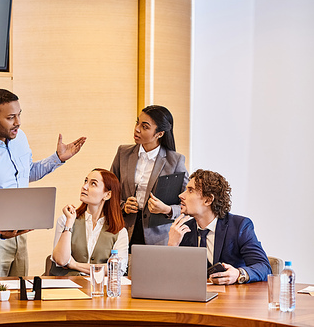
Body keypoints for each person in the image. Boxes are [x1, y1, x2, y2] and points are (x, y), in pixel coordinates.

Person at [0, 89, 86, 278]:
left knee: (19, 295)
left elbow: (26, 174)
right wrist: (2, 230)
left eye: (19, 115)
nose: (18, 122)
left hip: (16, 231)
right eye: (10, 117)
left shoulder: (19, 138)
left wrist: (57, 158)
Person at [168, 169, 271, 284]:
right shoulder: (183, 231)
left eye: (190, 190)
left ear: (208, 200)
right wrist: (172, 246)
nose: (181, 195)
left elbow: (264, 268)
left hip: (232, 298)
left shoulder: (240, 226)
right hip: (195, 298)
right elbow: (171, 278)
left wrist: (238, 273)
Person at [111, 105, 189, 249]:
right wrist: (123, 206)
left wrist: (167, 209)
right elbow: (109, 192)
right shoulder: (123, 153)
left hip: (159, 238)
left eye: (145, 127)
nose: (137, 129)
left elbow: (188, 204)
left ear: (159, 134)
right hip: (124, 232)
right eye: (137, 122)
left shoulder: (175, 161)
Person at [50, 169, 128, 276]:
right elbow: (61, 260)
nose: (85, 187)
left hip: (99, 289)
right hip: (65, 288)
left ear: (107, 195)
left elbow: (118, 269)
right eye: (85, 181)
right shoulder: (66, 219)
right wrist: (69, 224)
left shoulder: (119, 231)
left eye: (93, 184)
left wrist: (75, 265)